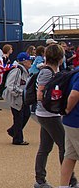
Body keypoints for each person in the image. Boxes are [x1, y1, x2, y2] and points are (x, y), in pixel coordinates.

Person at [33, 44, 77, 188]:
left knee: (45, 147)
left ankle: (40, 179)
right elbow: (40, 94)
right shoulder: (47, 72)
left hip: (46, 113)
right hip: (49, 114)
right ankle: (70, 181)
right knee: (64, 147)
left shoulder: (52, 70)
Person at [3, 52, 32, 145]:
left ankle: (13, 131)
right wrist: (20, 93)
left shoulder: (24, 70)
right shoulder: (17, 70)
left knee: (26, 115)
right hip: (16, 98)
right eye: (29, 60)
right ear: (24, 61)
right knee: (19, 117)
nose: (31, 62)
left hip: (21, 98)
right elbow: (10, 85)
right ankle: (17, 139)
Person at [60, 62, 79, 188]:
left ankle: (64, 185)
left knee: (70, 156)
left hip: (70, 120)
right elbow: (74, 94)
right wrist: (67, 109)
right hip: (76, 121)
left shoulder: (75, 71)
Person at [0, 44, 14, 111]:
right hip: (0, 77)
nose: (12, 50)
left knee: (0, 91)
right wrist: (11, 66)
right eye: (11, 49)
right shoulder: (3, 58)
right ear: (8, 50)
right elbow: (1, 67)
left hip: (3, 77)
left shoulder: (5, 58)